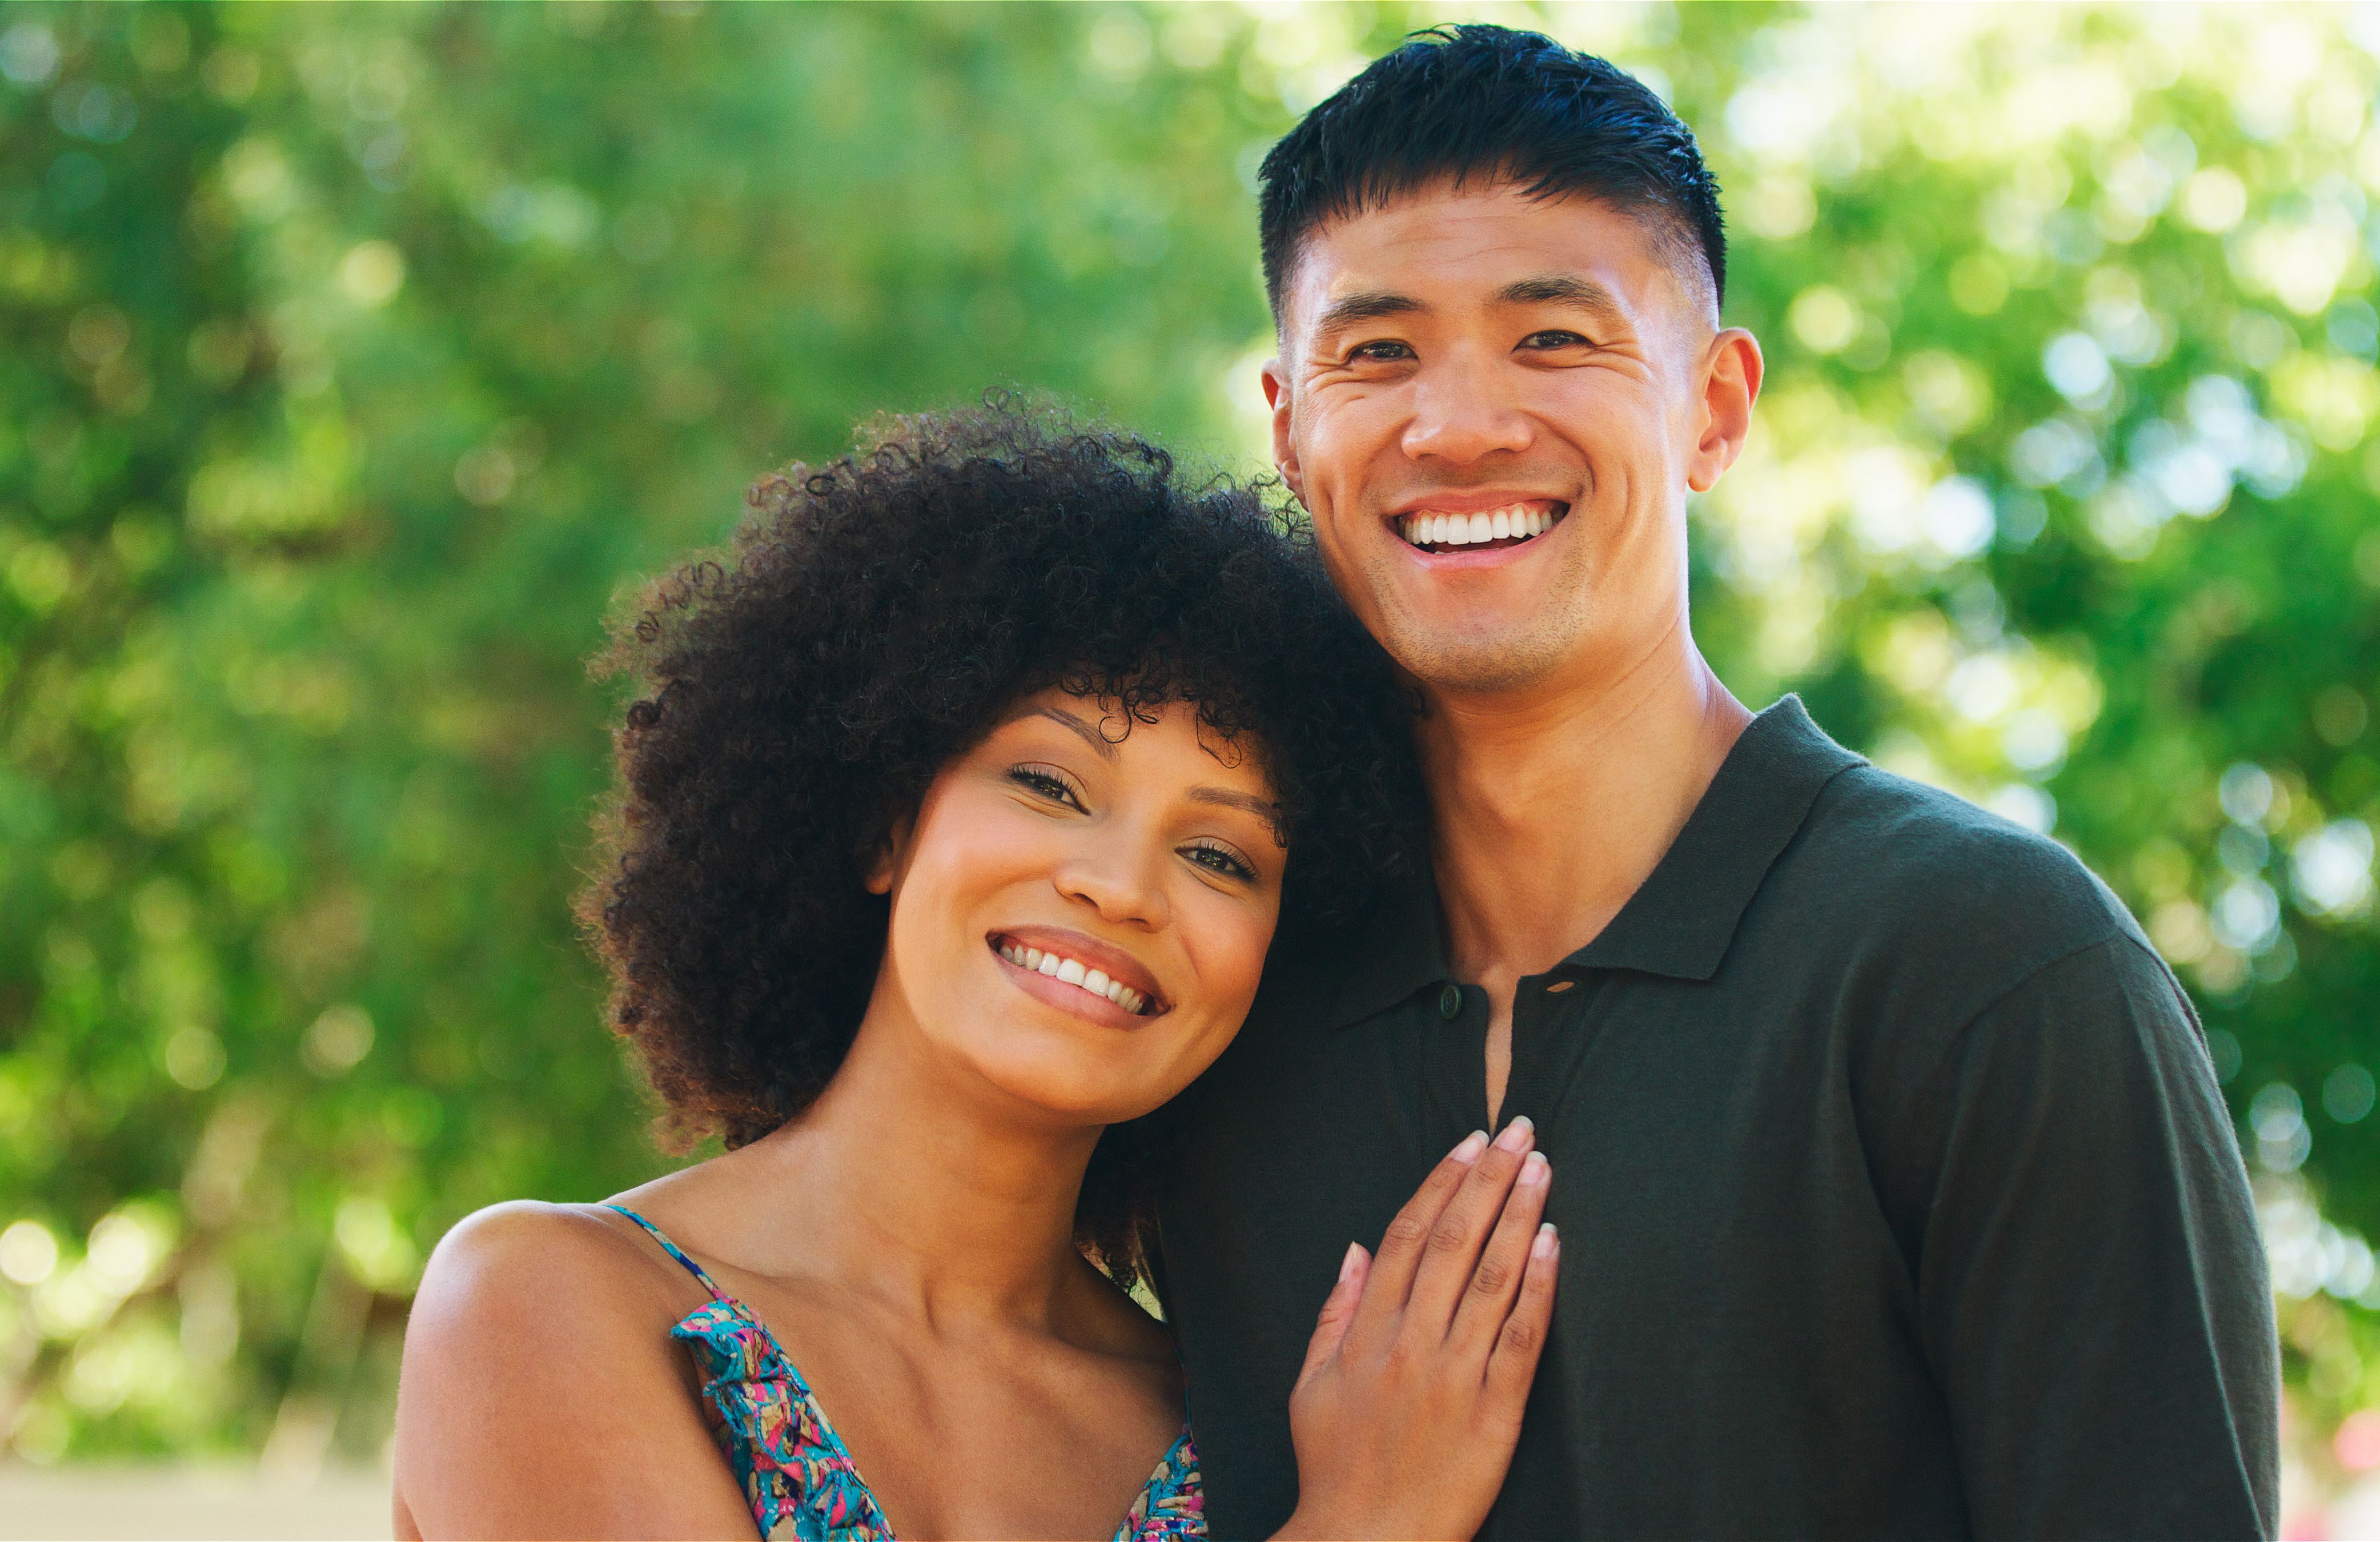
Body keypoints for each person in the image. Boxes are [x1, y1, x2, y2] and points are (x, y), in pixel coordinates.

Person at [1153, 26, 2282, 1540]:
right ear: (1290, 426)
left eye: (1555, 338)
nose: (1463, 422)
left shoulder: (1988, 967)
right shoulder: (1209, 991)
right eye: (1378, 352)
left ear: (1717, 408)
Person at [391, 407, 1565, 1540]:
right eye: (1051, 786)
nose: (1121, 888)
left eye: (1218, 855)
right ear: (885, 826)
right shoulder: (546, 1303)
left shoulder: (1232, 1426)